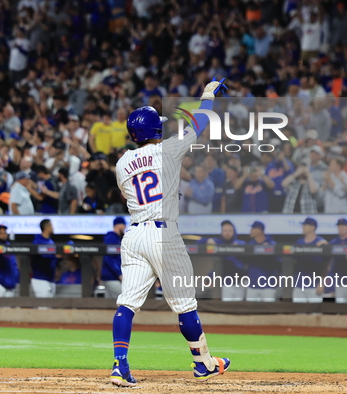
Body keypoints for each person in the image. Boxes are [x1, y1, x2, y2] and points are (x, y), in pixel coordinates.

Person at [110, 78, 230, 387]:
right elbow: (200, 122)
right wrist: (206, 96)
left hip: (134, 235)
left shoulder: (122, 163)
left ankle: (119, 365)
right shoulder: (170, 149)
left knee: (127, 304)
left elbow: (128, 196)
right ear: (156, 130)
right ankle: (202, 363)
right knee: (185, 304)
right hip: (163, 234)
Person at [292, 217, 328, 303]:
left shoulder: (320, 242)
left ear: (312, 227)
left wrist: (322, 283)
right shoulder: (299, 242)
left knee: (316, 314)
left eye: (305, 225)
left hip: (314, 285)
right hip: (299, 285)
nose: (303, 227)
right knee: (300, 314)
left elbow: (326, 265)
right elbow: (293, 262)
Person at [245, 221, 279, 302]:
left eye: (253, 228)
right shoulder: (250, 244)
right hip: (252, 286)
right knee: (250, 312)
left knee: (268, 312)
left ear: (259, 230)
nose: (250, 230)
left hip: (268, 286)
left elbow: (279, 264)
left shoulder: (272, 244)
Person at [329, 219, 347, 303]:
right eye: (339, 226)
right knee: (340, 308)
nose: (341, 228)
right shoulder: (334, 241)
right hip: (339, 281)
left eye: (343, 226)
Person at [31, 219, 59, 298]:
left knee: (50, 308)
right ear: (46, 227)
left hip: (50, 278)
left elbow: (54, 259)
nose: (53, 228)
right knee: (43, 307)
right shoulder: (37, 240)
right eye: (51, 225)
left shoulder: (51, 242)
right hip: (40, 279)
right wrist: (54, 255)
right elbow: (42, 256)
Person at [101, 217, 127, 299]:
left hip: (112, 276)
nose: (125, 227)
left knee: (111, 302)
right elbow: (108, 258)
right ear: (119, 225)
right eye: (123, 225)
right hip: (111, 276)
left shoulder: (117, 238)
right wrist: (119, 273)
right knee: (125, 296)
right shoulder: (112, 237)